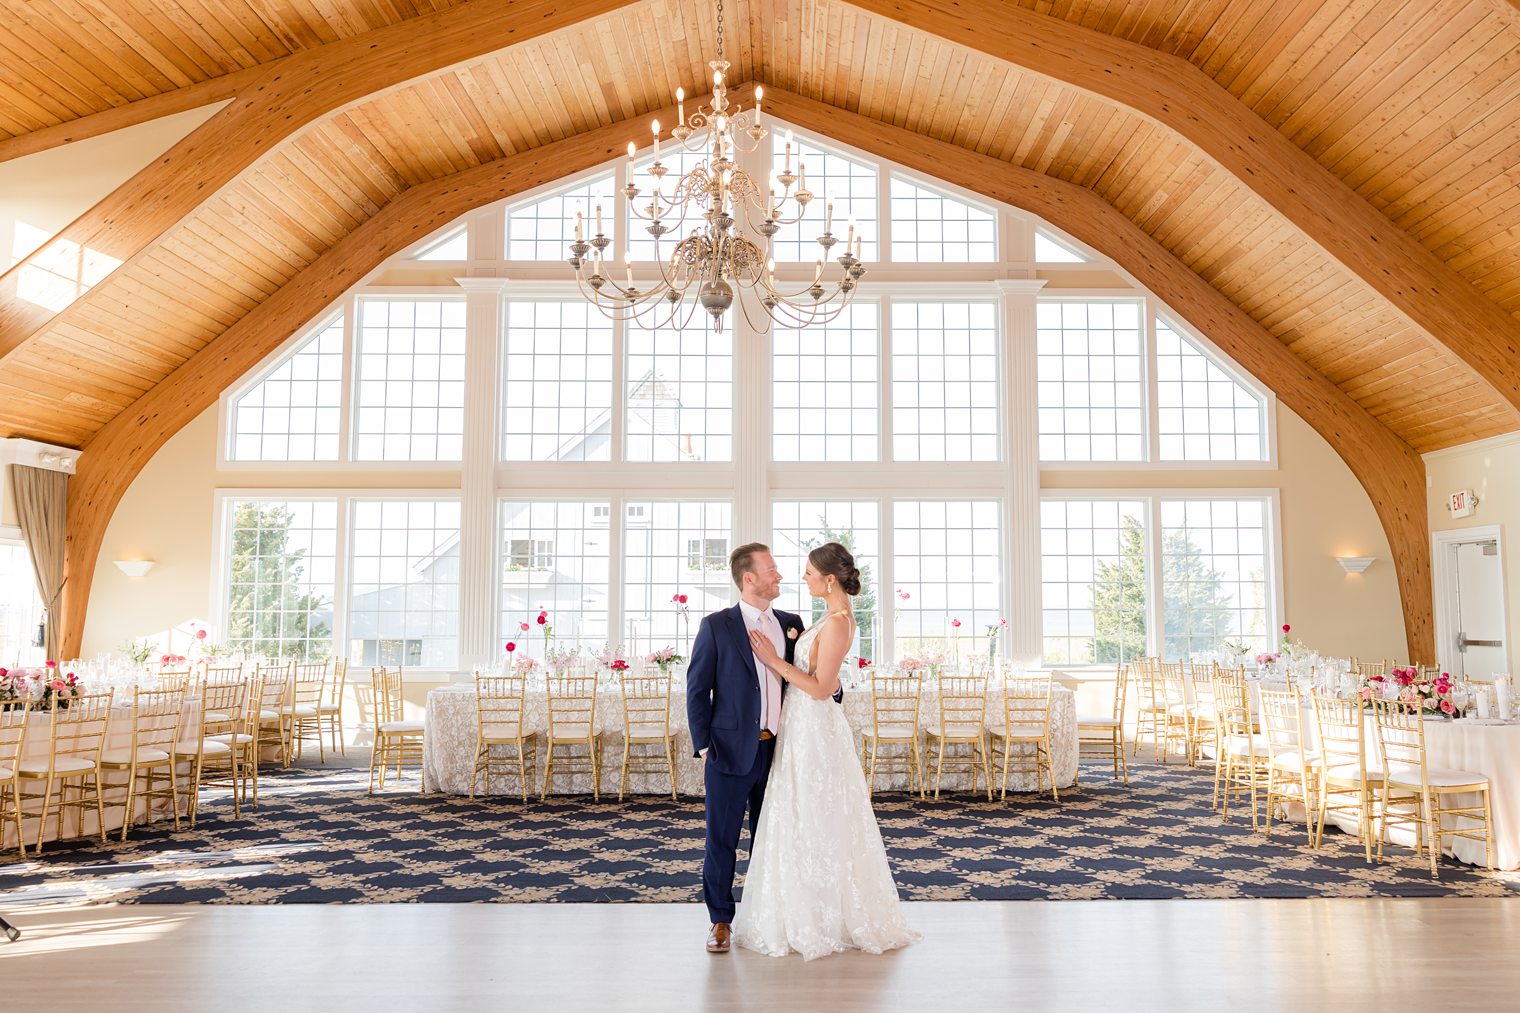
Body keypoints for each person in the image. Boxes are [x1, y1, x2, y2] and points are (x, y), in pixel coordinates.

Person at [732, 541, 920, 960]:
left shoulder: (838, 621)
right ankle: (803, 909)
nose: (803, 578)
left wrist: (773, 661)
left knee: (816, 815)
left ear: (829, 579)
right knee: (798, 815)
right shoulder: (826, 619)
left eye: (810, 573)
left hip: (814, 728)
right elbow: (827, 682)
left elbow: (818, 688)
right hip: (800, 727)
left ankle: (821, 919)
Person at [686, 542, 805, 954]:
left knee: (770, 838)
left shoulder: (791, 623)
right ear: (748, 578)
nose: (780, 576)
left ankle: (762, 914)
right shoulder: (716, 626)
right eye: (772, 570)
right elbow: (698, 689)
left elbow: (804, 680)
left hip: (779, 752)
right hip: (728, 751)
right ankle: (720, 920)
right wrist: (703, 746)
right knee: (721, 839)